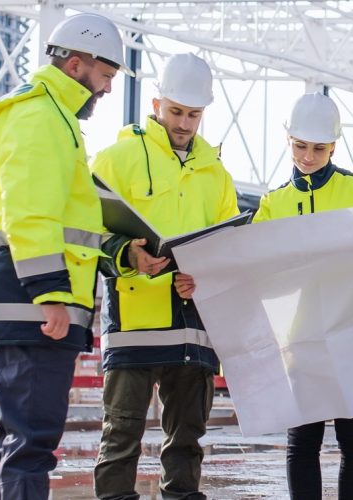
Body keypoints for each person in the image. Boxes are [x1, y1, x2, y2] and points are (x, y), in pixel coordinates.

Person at [0, 13, 129, 499]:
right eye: (106, 76)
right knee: (32, 441)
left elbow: (65, 224)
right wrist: (50, 295)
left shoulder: (51, 117)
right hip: (39, 306)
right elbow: (30, 215)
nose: (108, 89)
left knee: (19, 439)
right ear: (75, 65)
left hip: (36, 305)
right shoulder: (41, 117)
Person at [89, 53, 240, 500]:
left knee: (188, 440)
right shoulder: (116, 159)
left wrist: (206, 274)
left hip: (193, 325)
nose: (184, 123)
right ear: (157, 103)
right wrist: (124, 252)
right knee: (121, 436)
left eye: (193, 114)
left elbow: (229, 248)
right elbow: (84, 230)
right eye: (176, 112)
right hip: (133, 321)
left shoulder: (217, 173)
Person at [253, 92, 353, 500]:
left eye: (319, 148)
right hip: (301, 340)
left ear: (334, 146)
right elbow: (256, 270)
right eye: (301, 146)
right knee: (302, 439)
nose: (308, 156)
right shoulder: (273, 204)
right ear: (288, 140)